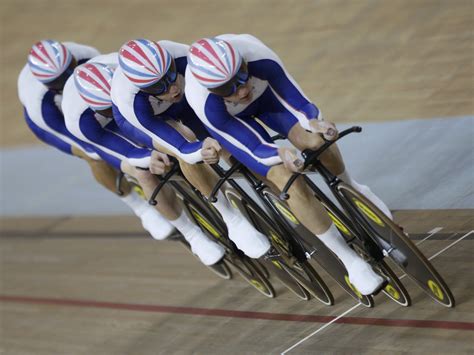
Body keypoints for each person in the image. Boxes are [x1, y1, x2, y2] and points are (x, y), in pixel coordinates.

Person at [185, 34, 392, 295]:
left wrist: (314, 122)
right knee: (284, 177)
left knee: (316, 142)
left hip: (268, 101)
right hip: (237, 126)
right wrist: (280, 153)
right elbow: (253, 148)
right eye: (229, 89)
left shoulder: (256, 53)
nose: (242, 90)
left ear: (244, 63)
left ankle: (355, 190)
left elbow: (297, 102)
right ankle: (349, 260)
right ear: (213, 89)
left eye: (242, 77)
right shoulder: (203, 101)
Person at [111, 39, 270, 259]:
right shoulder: (130, 99)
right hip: (148, 119)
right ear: (143, 87)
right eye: (160, 86)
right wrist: (196, 149)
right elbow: (182, 147)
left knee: (221, 139)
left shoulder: (182, 56)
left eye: (171, 75)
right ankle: (226, 218)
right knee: (184, 145)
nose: (172, 87)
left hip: (185, 102)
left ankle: (266, 186)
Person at [61, 54, 224, 265]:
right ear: (96, 108)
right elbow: (118, 151)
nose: (114, 110)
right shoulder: (80, 119)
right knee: (142, 171)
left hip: (138, 111)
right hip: (105, 131)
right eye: (109, 110)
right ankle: (192, 235)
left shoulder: (128, 81)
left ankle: (216, 190)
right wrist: (146, 157)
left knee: (185, 136)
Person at [17, 40, 171, 243]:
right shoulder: (41, 106)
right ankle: (139, 207)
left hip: (97, 99)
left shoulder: (85, 54)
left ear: (73, 59)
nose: (69, 79)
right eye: (59, 81)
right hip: (59, 120)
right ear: (49, 86)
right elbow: (86, 143)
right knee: (95, 154)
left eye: (69, 70)